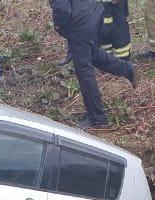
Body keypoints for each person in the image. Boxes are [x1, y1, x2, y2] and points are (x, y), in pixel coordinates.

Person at [50, 0, 136, 129]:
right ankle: (128, 69)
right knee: (93, 54)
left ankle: (97, 118)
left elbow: (63, 10)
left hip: (81, 24)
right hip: (94, 14)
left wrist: (59, 25)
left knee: (84, 73)